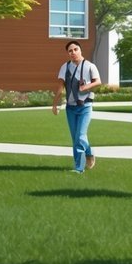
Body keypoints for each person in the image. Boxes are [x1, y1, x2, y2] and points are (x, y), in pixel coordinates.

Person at [53, 40, 101, 174]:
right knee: (76, 138)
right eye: (70, 51)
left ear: (80, 50)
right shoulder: (65, 67)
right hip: (70, 108)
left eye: (75, 49)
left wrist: (86, 86)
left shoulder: (90, 66)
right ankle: (89, 152)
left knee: (80, 135)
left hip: (85, 106)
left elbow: (98, 81)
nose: (73, 52)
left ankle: (79, 168)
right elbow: (61, 86)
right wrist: (55, 103)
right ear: (68, 53)